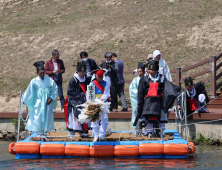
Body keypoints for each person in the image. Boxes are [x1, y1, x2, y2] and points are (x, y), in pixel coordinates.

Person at [134, 60, 176, 138]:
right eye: (150, 70)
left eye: (153, 70)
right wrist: (140, 102)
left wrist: (176, 90)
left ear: (157, 70)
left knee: (161, 118)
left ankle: (162, 132)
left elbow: (168, 88)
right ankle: (149, 132)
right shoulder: (144, 78)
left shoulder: (162, 78)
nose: (152, 72)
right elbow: (140, 91)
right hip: (148, 101)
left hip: (159, 101)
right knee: (149, 117)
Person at [23, 61, 58, 133]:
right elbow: (29, 92)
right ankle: (37, 133)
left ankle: (46, 133)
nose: (42, 74)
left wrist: (51, 98)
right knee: (37, 117)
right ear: (37, 73)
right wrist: (24, 99)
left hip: (47, 103)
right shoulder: (34, 81)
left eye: (43, 72)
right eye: (40, 73)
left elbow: (54, 89)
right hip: (38, 103)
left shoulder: (49, 80)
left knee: (47, 117)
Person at [66, 61, 88, 138]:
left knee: (84, 117)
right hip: (74, 102)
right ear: (78, 72)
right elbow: (69, 92)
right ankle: (71, 136)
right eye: (81, 73)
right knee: (74, 120)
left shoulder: (85, 78)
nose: (83, 74)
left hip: (83, 101)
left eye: (84, 72)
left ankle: (84, 134)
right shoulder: (73, 79)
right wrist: (80, 94)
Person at [90, 69, 110, 141]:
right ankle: (96, 136)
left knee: (104, 119)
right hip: (94, 103)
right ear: (96, 76)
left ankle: (102, 136)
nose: (100, 78)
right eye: (99, 77)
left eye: (101, 77)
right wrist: (94, 102)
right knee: (94, 119)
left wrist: (101, 100)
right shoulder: (91, 84)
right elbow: (90, 95)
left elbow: (106, 93)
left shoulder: (106, 83)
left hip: (103, 103)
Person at [129, 63, 145, 128]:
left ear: (143, 71)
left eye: (141, 71)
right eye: (138, 72)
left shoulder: (146, 79)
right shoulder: (135, 80)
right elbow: (132, 90)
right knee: (136, 113)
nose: (139, 73)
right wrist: (140, 93)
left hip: (145, 99)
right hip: (137, 99)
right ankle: (137, 128)